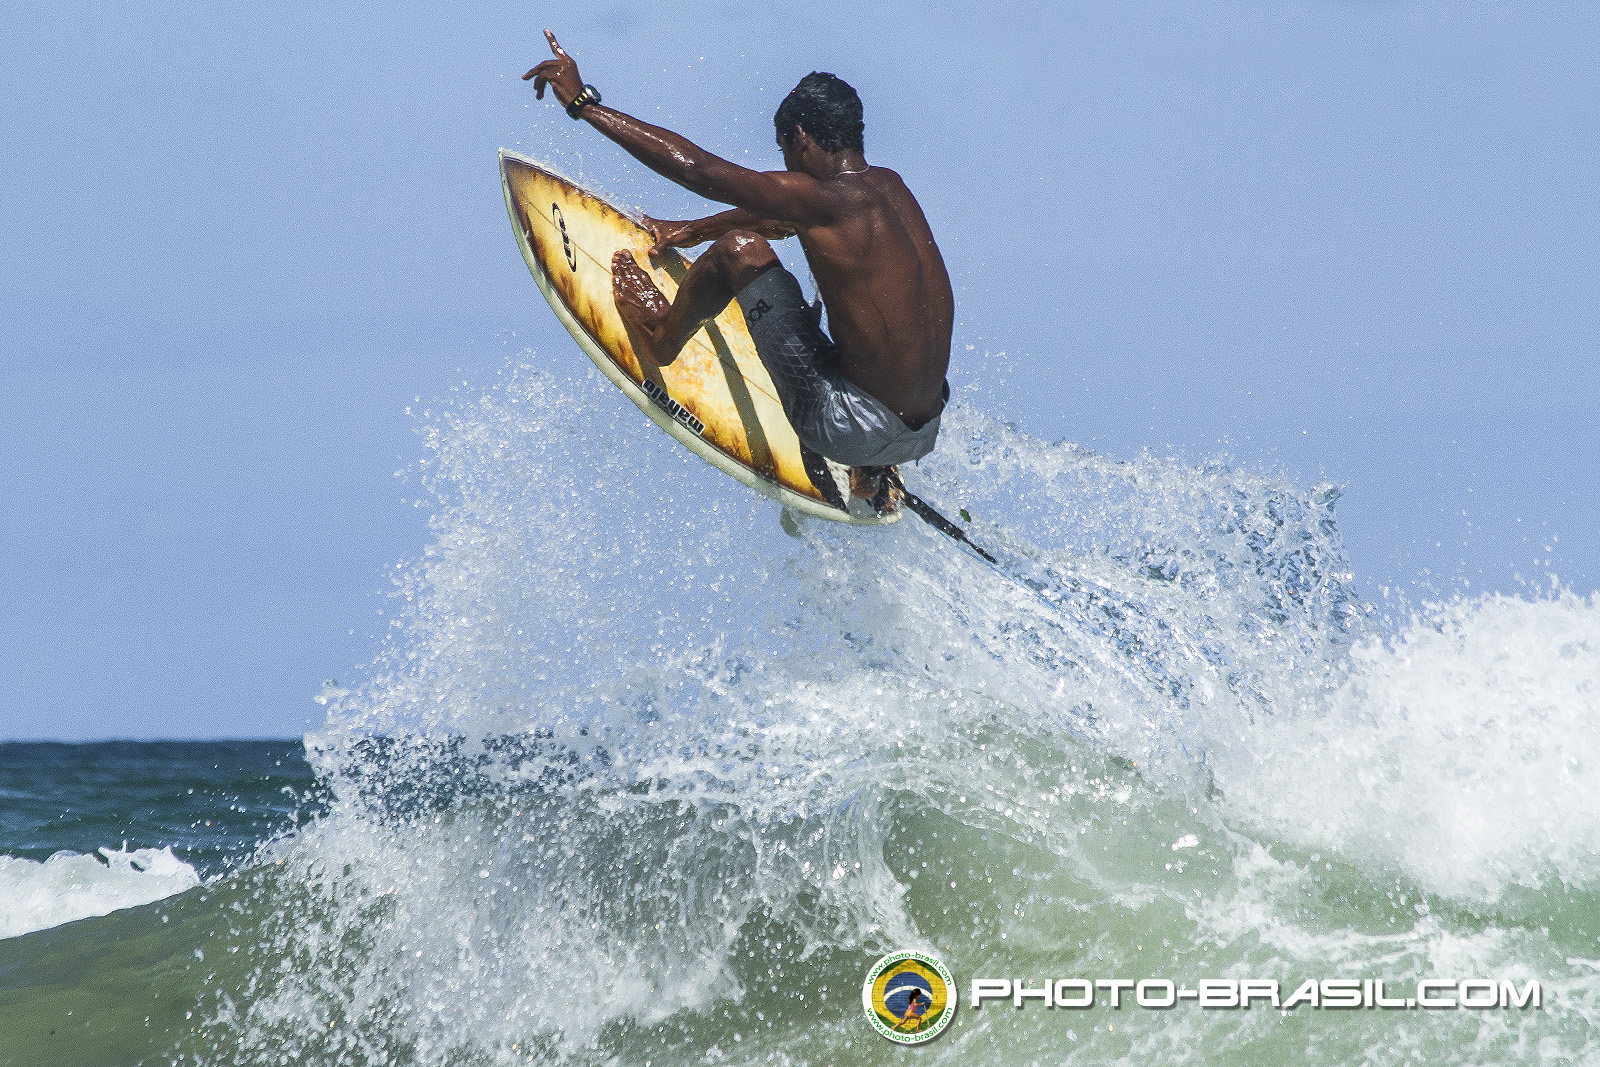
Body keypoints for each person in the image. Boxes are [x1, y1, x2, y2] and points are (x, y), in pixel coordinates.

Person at [523, 31, 953, 476]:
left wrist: (585, 105)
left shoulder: (823, 202)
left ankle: (661, 336)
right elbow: (781, 216)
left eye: (783, 150)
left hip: (850, 428)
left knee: (738, 251)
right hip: (923, 427)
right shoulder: (889, 188)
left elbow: (699, 171)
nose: (785, 164)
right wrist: (693, 230)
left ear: (800, 137)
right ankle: (875, 471)